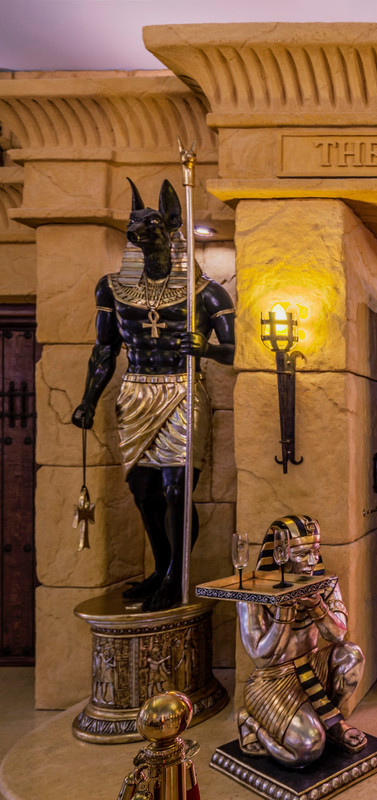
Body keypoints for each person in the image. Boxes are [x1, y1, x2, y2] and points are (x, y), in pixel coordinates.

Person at [71, 179, 235, 612]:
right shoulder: (112, 288)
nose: (141, 233)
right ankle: (162, 568)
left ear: (172, 227)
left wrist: (205, 349)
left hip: (182, 390)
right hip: (136, 391)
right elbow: (105, 349)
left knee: (176, 489)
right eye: (136, 226)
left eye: (152, 225)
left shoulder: (206, 292)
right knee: (143, 490)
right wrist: (89, 399)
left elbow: (235, 351)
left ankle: (177, 576)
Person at [236, 515, 366, 768]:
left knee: (351, 655)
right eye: (302, 554)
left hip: (312, 666)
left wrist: (317, 606)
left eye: (315, 551)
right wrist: (284, 613)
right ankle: (251, 725)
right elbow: (260, 657)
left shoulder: (325, 582)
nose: (312, 561)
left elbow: (338, 635)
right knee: (307, 750)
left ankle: (331, 723)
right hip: (271, 681)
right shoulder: (251, 593)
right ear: (280, 555)